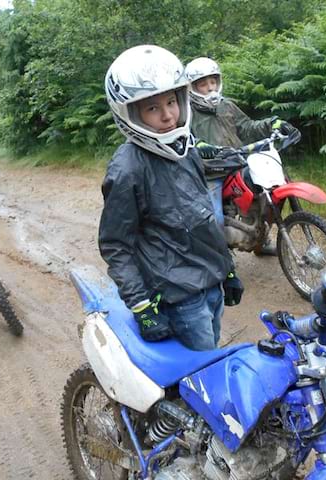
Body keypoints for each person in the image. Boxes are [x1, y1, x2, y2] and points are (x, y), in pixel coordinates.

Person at [99, 45, 243, 351]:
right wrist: (140, 305)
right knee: (198, 373)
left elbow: (202, 214)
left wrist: (227, 268)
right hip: (178, 295)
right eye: (152, 108)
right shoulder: (127, 169)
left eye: (171, 102)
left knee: (210, 353)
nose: (167, 115)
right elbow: (115, 244)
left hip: (210, 282)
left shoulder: (186, 149)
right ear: (130, 112)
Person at [185, 57, 300, 256]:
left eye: (213, 82)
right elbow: (185, 138)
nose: (210, 87)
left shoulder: (227, 106)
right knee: (213, 219)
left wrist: (272, 123)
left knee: (272, 190)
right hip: (211, 172)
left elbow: (247, 127)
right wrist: (198, 145)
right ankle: (217, 258)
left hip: (238, 161)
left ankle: (259, 239)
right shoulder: (187, 113)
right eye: (203, 84)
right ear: (192, 87)